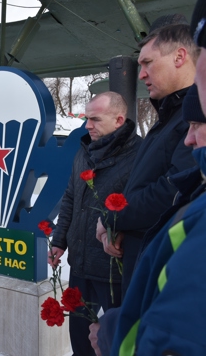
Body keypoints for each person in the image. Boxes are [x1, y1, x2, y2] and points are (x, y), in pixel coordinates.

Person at [89, 84, 206, 355]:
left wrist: (112, 332)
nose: (141, 73)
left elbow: (174, 333)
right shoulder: (85, 153)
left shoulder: (194, 215)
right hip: (100, 256)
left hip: (115, 269)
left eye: (198, 125)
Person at [96, 23, 198, 297]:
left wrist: (112, 218)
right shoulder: (166, 119)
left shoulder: (193, 120)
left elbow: (174, 192)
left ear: (179, 57)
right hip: (143, 262)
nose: (141, 75)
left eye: (148, 63)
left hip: (166, 276)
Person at [48, 92, 142, 356]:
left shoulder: (139, 155)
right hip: (79, 266)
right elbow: (70, 197)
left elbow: (146, 208)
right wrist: (59, 241)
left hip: (113, 272)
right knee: (81, 342)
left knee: (115, 344)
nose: (87, 125)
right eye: (87, 118)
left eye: (95, 119)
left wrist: (122, 230)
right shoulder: (84, 150)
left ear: (119, 120)